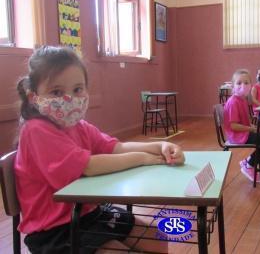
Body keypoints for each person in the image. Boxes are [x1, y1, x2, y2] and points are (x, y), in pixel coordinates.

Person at [14, 46, 185, 254]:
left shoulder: (79, 125)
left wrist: (160, 145)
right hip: (54, 231)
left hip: (90, 213)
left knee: (156, 238)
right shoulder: (36, 130)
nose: (69, 99)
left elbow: (116, 147)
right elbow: (88, 167)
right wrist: (142, 158)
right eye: (56, 92)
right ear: (34, 97)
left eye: (77, 89)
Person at [224, 69, 260, 182]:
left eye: (246, 83)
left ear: (250, 85)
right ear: (233, 86)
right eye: (239, 83)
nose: (243, 85)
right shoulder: (233, 102)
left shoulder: (242, 100)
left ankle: (248, 161)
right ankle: (249, 164)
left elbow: (244, 122)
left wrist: (256, 128)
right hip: (237, 135)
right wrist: (251, 128)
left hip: (244, 132)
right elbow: (233, 126)